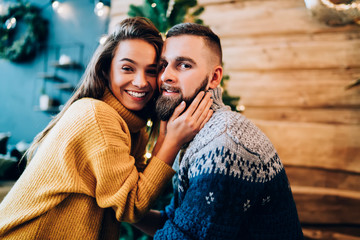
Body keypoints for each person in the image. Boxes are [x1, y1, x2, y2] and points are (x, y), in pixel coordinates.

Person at [0, 17, 213, 239]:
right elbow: (131, 206)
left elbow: (125, 195)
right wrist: (170, 142)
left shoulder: (134, 127)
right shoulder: (98, 116)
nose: (141, 82)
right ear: (106, 70)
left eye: (151, 71)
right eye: (127, 68)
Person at [133, 23, 304, 239]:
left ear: (214, 78)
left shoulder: (224, 143)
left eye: (184, 65)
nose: (165, 76)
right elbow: (176, 222)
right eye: (163, 65)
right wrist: (123, 208)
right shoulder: (189, 132)